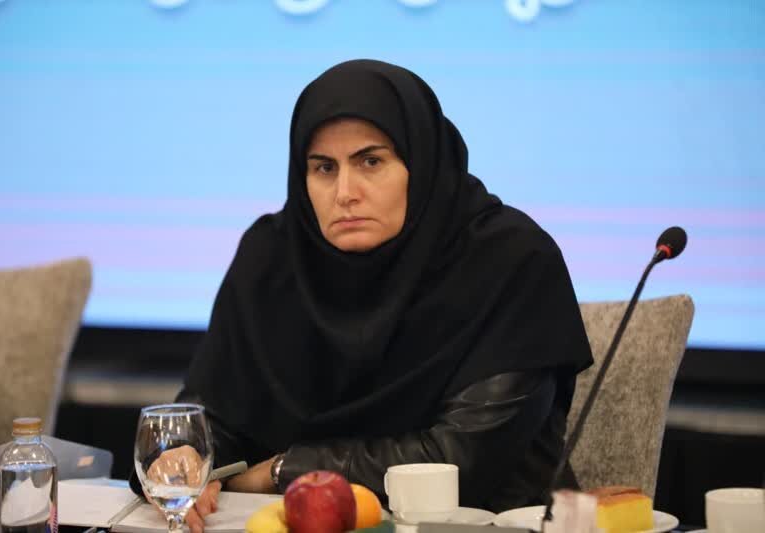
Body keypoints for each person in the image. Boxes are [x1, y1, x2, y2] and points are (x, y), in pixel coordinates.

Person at [131, 59, 593, 532]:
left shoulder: (512, 260)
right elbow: (215, 412)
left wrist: (283, 471)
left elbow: (458, 463)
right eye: (324, 168)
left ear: (421, 162)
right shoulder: (272, 258)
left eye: (370, 162)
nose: (345, 192)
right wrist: (186, 458)